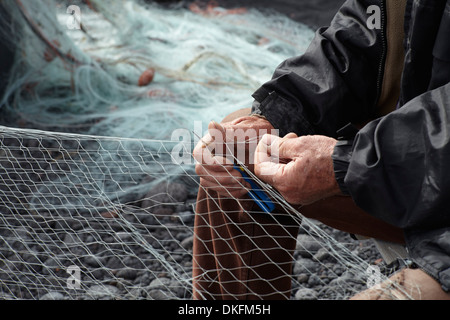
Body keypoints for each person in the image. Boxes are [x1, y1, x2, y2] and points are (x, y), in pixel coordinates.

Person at [192, 0, 450, 300]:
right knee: (236, 156)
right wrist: (268, 119)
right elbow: (346, 50)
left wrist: (346, 162)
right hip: (399, 172)